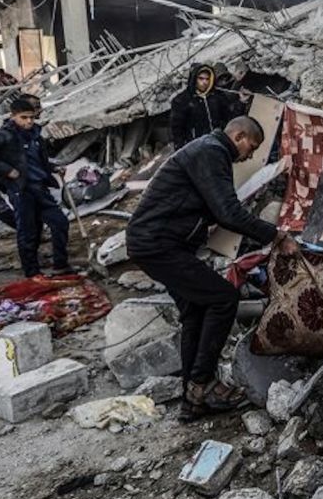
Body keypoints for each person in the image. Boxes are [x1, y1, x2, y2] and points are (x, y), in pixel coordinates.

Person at [126, 116, 298, 420]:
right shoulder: (211, 152)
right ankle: (202, 384)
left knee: (195, 311)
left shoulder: (207, 151)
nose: (248, 155)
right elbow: (227, 212)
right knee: (223, 298)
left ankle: (193, 399)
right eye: (251, 147)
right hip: (159, 244)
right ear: (239, 135)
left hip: (159, 244)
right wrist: (276, 236)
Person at [0, 97, 69, 277]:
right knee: (28, 231)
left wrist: (53, 168)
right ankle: (32, 271)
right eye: (24, 118)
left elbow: (38, 162)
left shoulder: (36, 135)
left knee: (60, 222)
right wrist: (6, 170)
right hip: (21, 190)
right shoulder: (4, 135)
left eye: (31, 118)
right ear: (13, 116)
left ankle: (61, 265)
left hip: (40, 188)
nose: (28, 122)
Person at [170, 64, 240, 149]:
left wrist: (242, 102)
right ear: (194, 79)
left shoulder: (217, 96)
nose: (204, 82)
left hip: (219, 144)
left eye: (207, 79)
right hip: (197, 148)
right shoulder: (182, 100)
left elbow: (230, 119)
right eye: (201, 78)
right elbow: (177, 131)